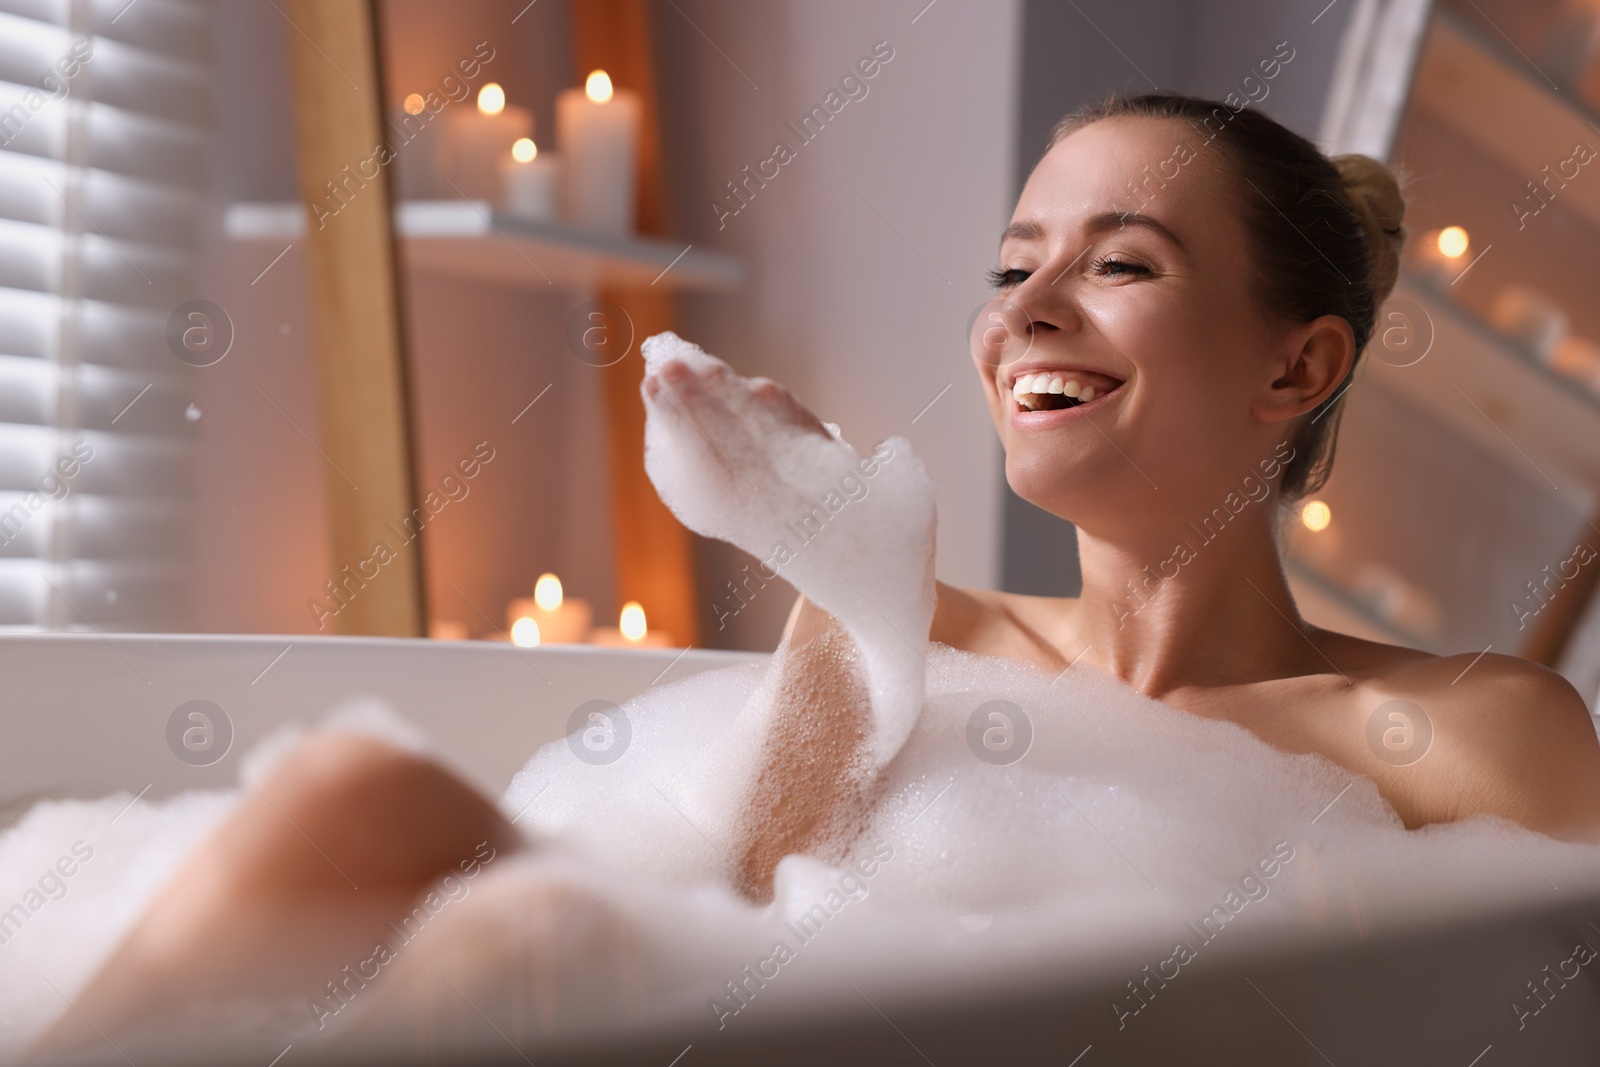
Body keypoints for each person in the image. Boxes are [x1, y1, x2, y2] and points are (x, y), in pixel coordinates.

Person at [34, 91, 1600, 1054]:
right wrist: (834, 579)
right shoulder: (920, 620)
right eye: (1011, 267)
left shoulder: (1472, 730)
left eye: (1120, 264)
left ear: (1298, 365)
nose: (1027, 310)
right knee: (353, 804)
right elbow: (741, 904)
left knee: (518, 949)